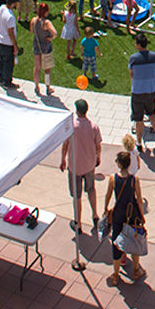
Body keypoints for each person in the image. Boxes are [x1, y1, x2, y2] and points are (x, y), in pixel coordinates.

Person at [103, 150, 148, 285]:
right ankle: (136, 269)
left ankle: (116, 275)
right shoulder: (134, 179)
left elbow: (108, 195)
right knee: (134, 240)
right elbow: (139, 199)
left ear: (119, 164)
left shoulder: (113, 178)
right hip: (132, 214)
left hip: (118, 213)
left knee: (116, 242)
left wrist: (105, 209)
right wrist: (141, 214)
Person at [61, 98, 103, 233]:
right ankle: (95, 215)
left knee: (77, 196)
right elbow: (98, 145)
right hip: (89, 165)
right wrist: (98, 157)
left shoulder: (71, 127)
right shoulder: (94, 127)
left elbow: (65, 145)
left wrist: (63, 159)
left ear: (77, 111)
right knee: (91, 190)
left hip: (75, 167)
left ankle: (78, 223)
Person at [128, 32, 155, 150]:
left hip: (138, 91)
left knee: (138, 118)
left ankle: (139, 143)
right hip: (150, 90)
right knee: (152, 113)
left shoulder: (133, 58)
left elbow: (131, 75)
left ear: (138, 45)